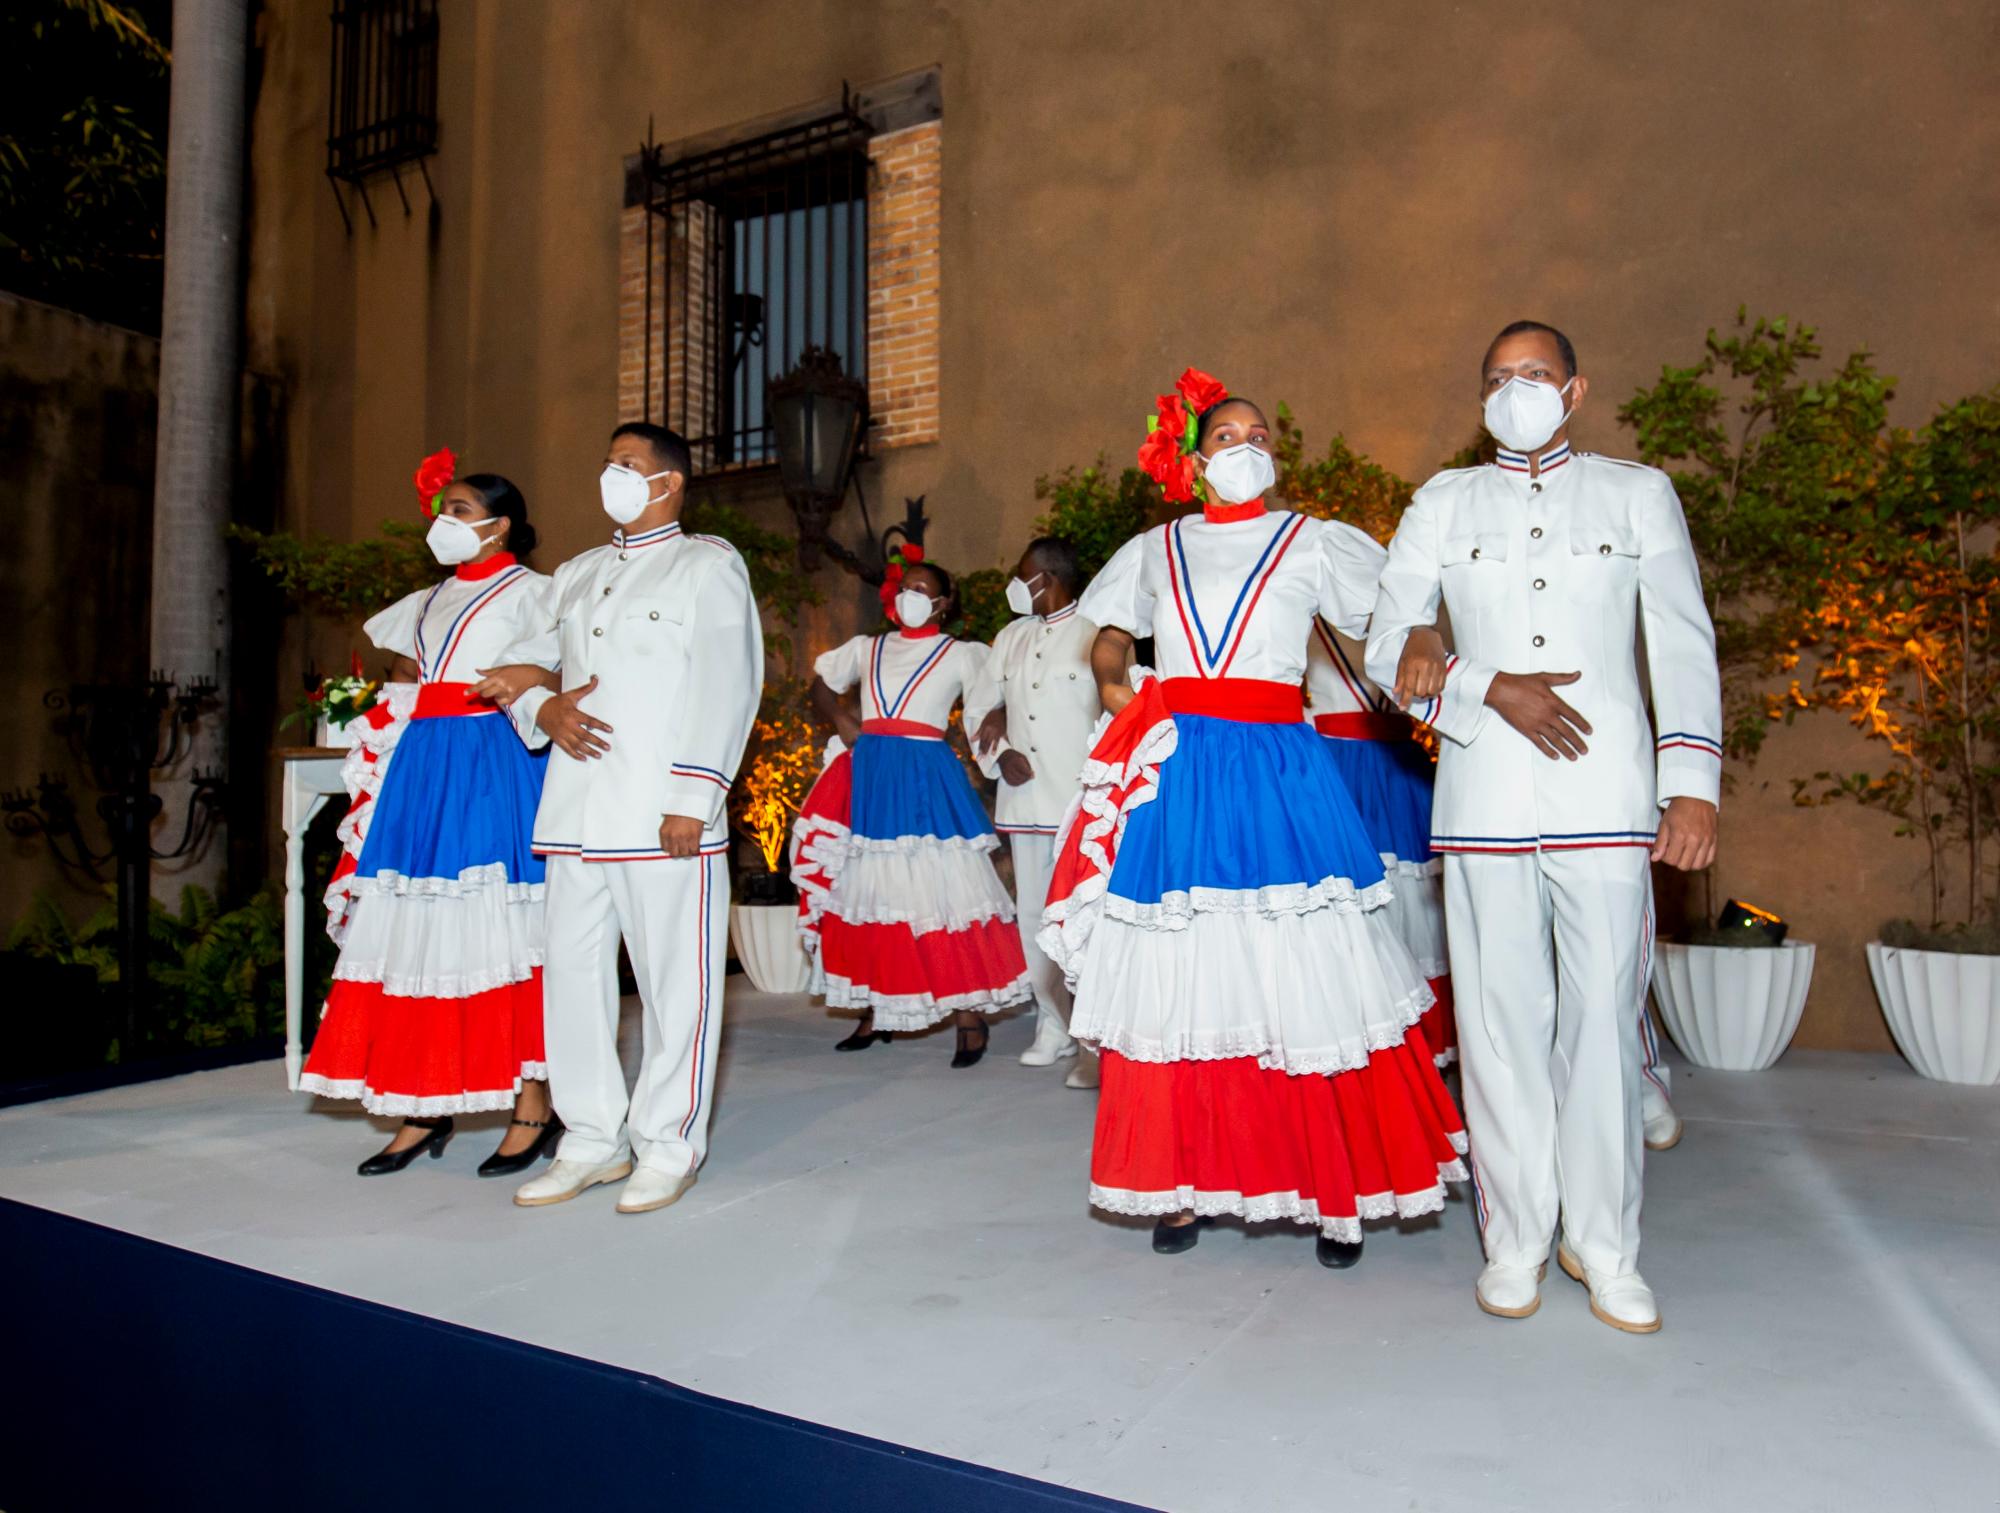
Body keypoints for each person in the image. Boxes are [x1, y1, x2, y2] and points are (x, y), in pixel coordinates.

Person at [1042, 370, 1467, 1267]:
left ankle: (1332, 1193)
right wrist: (1116, 682)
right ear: (1196, 462)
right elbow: (1109, 633)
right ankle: (1182, 1182)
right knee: (1185, 966)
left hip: (1279, 766)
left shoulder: (1313, 541)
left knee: (1304, 967)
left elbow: (1394, 615)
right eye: (1227, 437)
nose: (1247, 447)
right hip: (1181, 767)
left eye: (1261, 435)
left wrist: (1431, 642)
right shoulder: (1155, 548)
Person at [1367, 320, 1720, 1333]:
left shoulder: (1635, 494)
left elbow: (1681, 642)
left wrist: (1690, 784)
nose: (1513, 389)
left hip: (1606, 798)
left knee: (1601, 1025)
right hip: (1482, 802)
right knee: (1498, 1028)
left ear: (1573, 391)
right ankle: (1516, 1239)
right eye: (1496, 376)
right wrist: (1483, 683)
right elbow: (1386, 647)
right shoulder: (1442, 502)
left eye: (1533, 373)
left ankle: (1605, 1249)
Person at [499, 422, 763, 1216]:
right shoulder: (577, 572)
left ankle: (667, 1145)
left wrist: (694, 797)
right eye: (607, 461)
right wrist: (542, 706)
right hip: (575, 814)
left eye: (627, 463)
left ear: (669, 481)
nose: (610, 473)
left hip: (662, 815)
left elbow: (727, 683)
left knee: (674, 987)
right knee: (572, 982)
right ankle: (590, 1139)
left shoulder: (707, 565)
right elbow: (513, 666)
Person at [298, 455, 560, 1179]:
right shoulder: (425, 599)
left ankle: (534, 1103)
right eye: (442, 510)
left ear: (500, 525)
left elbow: (559, 674)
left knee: (501, 924)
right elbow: (412, 682)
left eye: (460, 510)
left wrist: (532, 681)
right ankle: (423, 1100)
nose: (444, 521)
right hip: (424, 766)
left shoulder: (537, 594)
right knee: (417, 928)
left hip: (492, 759)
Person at [792, 554, 1032, 1066]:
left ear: (942, 604)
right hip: (873, 773)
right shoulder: (867, 648)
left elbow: (994, 698)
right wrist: (841, 718)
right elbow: (821, 684)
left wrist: (1000, 727)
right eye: (906, 587)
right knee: (875, 891)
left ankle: (968, 1015)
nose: (911, 596)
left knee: (943, 889)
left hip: (926, 776)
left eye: (922, 590)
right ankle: (879, 1007)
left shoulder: (961, 654)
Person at [971, 537, 1104, 1088]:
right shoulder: (1010, 637)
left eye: (1021, 573)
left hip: (1081, 802)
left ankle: (1094, 1035)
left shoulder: (1098, 631)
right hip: (1024, 801)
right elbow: (980, 706)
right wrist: (1000, 753)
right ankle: (1053, 1025)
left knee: (1087, 918)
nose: (1015, 582)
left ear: (1046, 578)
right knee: (1032, 916)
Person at [1303, 611, 1455, 1068]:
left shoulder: (1416, 613)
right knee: (1354, 901)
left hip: (1395, 768)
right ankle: (1369, 1046)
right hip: (1338, 768)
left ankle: (1419, 1047)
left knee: (1416, 905)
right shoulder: (1308, 604)